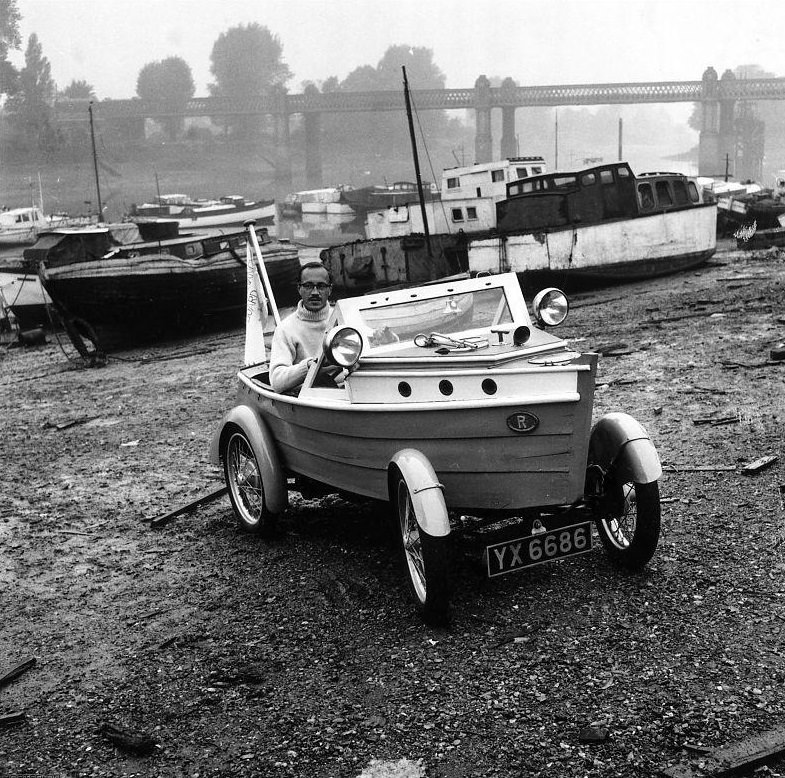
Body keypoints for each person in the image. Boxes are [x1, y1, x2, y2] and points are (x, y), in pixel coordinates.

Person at [269, 261, 346, 394]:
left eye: (321, 286)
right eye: (308, 286)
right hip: (308, 398)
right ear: (299, 288)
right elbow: (277, 381)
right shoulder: (285, 329)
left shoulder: (345, 319)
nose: (315, 292)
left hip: (348, 392)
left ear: (330, 289)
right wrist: (309, 367)